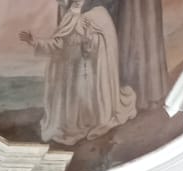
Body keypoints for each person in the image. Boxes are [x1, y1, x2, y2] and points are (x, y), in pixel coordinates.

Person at [21, 0, 137, 145]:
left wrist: (88, 41)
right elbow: (58, 44)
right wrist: (35, 42)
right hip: (73, 70)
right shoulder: (71, 16)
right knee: (76, 101)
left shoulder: (99, 15)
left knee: (89, 99)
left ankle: (92, 119)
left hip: (92, 72)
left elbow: (103, 48)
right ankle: (80, 122)